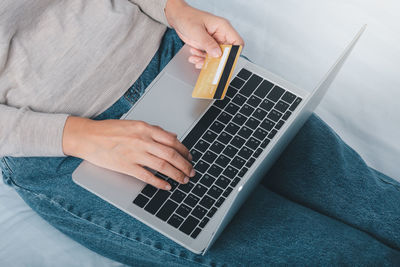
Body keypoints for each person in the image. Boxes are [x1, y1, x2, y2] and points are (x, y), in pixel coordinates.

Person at [0, 0, 399, 265]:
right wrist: (81, 136)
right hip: (62, 144)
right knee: (339, 255)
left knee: (372, 202)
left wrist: (175, 9)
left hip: (174, 59)